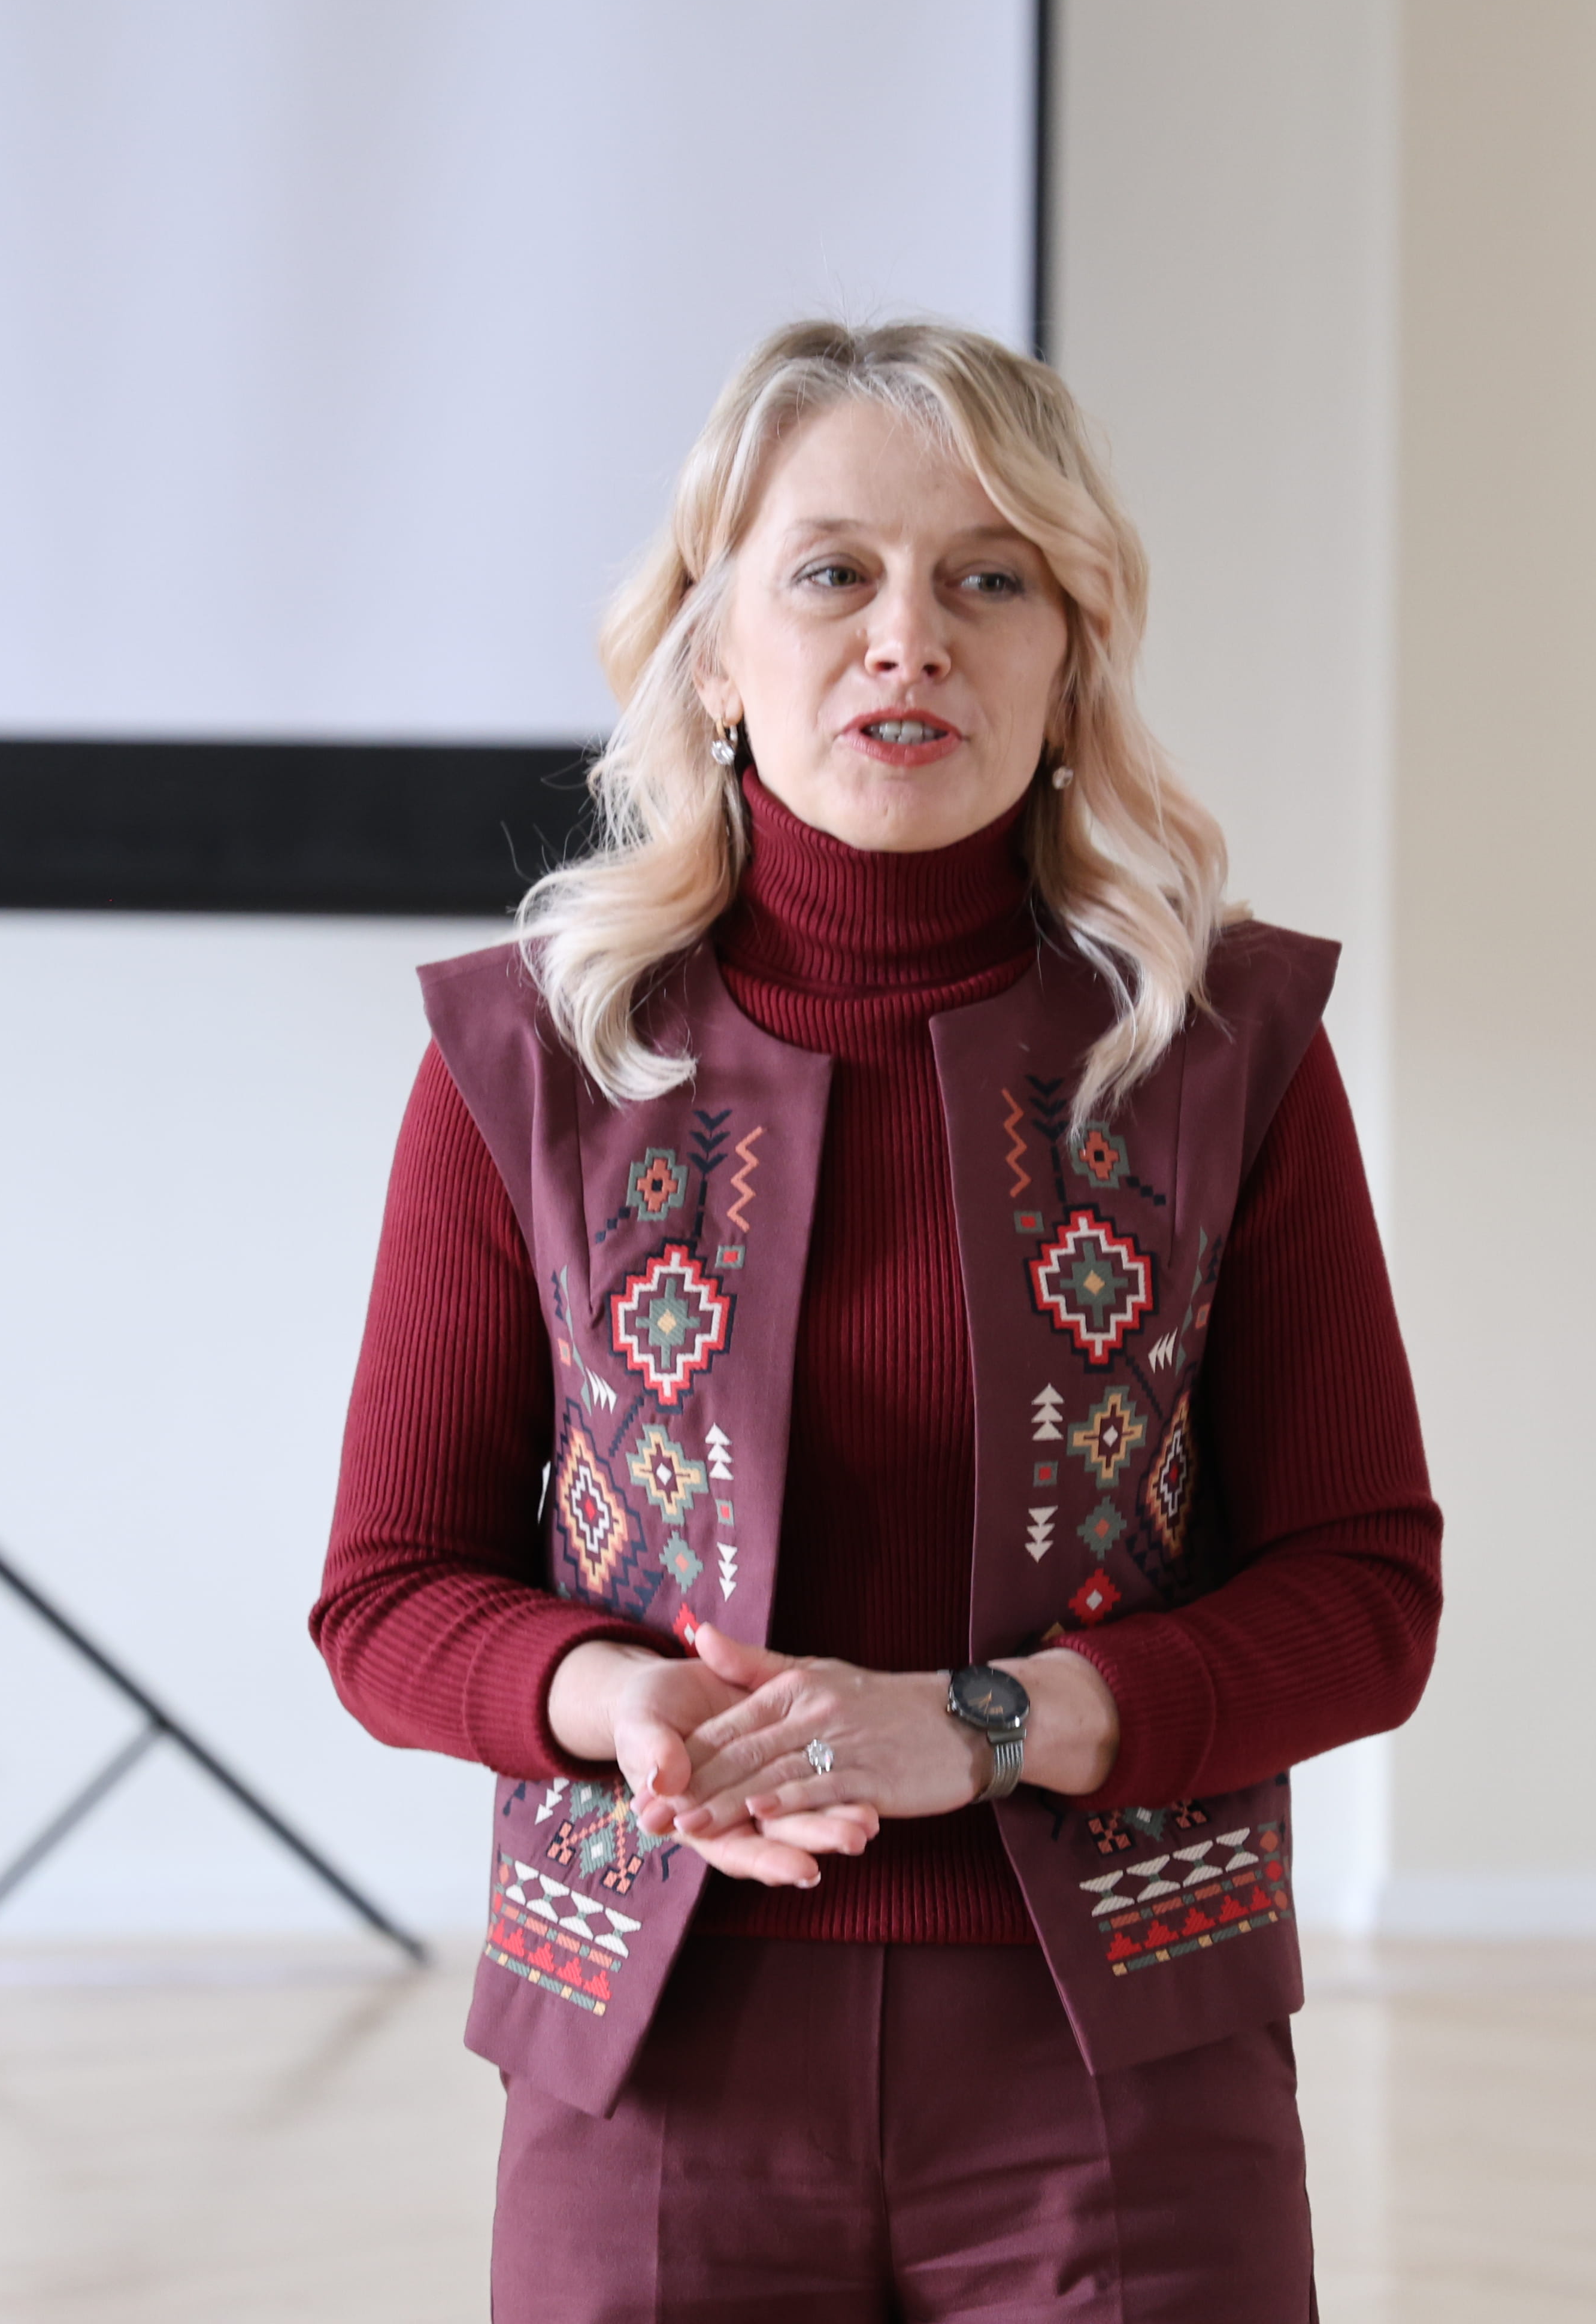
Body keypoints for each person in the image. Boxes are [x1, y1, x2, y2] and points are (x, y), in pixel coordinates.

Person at [313, 318, 1440, 2322]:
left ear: (1070, 660)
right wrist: (614, 1699)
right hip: (653, 2054)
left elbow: (1365, 1598)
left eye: (988, 580)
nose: (908, 639)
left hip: (1123, 2066)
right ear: (714, 650)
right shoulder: (533, 1063)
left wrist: (985, 1728)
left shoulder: (1224, 1052)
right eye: (833, 572)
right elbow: (388, 1598)